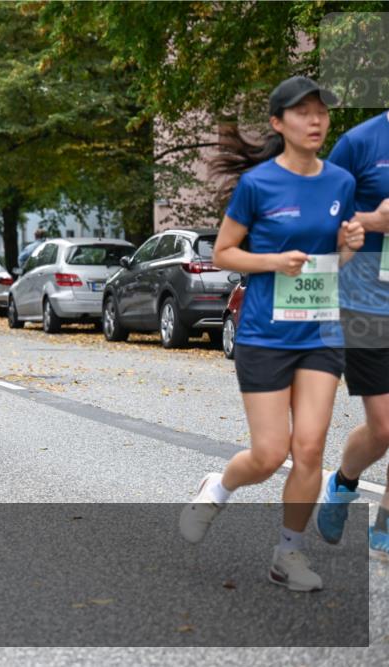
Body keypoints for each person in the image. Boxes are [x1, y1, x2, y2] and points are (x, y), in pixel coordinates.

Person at [178, 76, 364, 591]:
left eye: (321, 112)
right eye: (302, 113)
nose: (315, 121)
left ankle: (288, 554)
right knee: (269, 455)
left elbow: (335, 262)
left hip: (320, 332)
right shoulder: (257, 185)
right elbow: (223, 253)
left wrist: (350, 241)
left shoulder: (341, 183)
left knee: (309, 451)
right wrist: (272, 262)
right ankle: (217, 488)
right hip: (264, 333)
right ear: (279, 124)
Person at [315, 111, 389, 560]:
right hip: (366, 304)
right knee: (383, 429)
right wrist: (376, 222)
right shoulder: (361, 143)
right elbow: (323, 217)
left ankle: (386, 522)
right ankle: (342, 483)